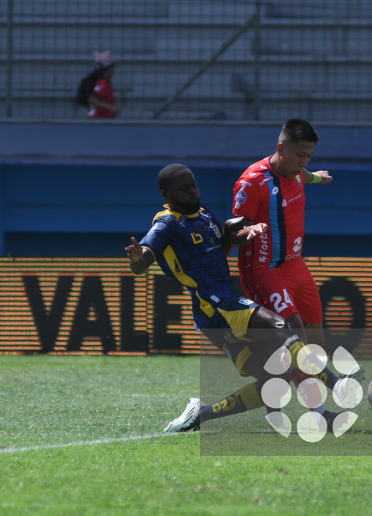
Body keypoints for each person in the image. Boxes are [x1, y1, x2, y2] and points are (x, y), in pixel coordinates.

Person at [126, 163, 357, 434]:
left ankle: (200, 415)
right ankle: (335, 384)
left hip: (223, 305)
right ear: (166, 195)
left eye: (194, 185)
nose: (192, 191)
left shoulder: (204, 214)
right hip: (214, 305)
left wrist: (236, 236)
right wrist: (137, 260)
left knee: (275, 383)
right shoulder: (167, 223)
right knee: (281, 326)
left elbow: (220, 250)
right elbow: (144, 259)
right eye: (183, 189)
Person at [232, 119, 332, 349]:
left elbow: (305, 174)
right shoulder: (252, 182)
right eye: (300, 155)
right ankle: (242, 336)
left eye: (309, 156)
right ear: (281, 148)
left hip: (296, 265)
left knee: (316, 337)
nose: (303, 162)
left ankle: (304, 372)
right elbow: (233, 234)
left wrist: (318, 177)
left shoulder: (296, 171)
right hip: (265, 270)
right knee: (295, 330)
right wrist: (249, 231)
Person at [87, 50, 119, 119]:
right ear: (109, 68)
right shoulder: (102, 83)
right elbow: (92, 99)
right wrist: (109, 107)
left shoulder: (105, 83)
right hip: (98, 121)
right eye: (113, 67)